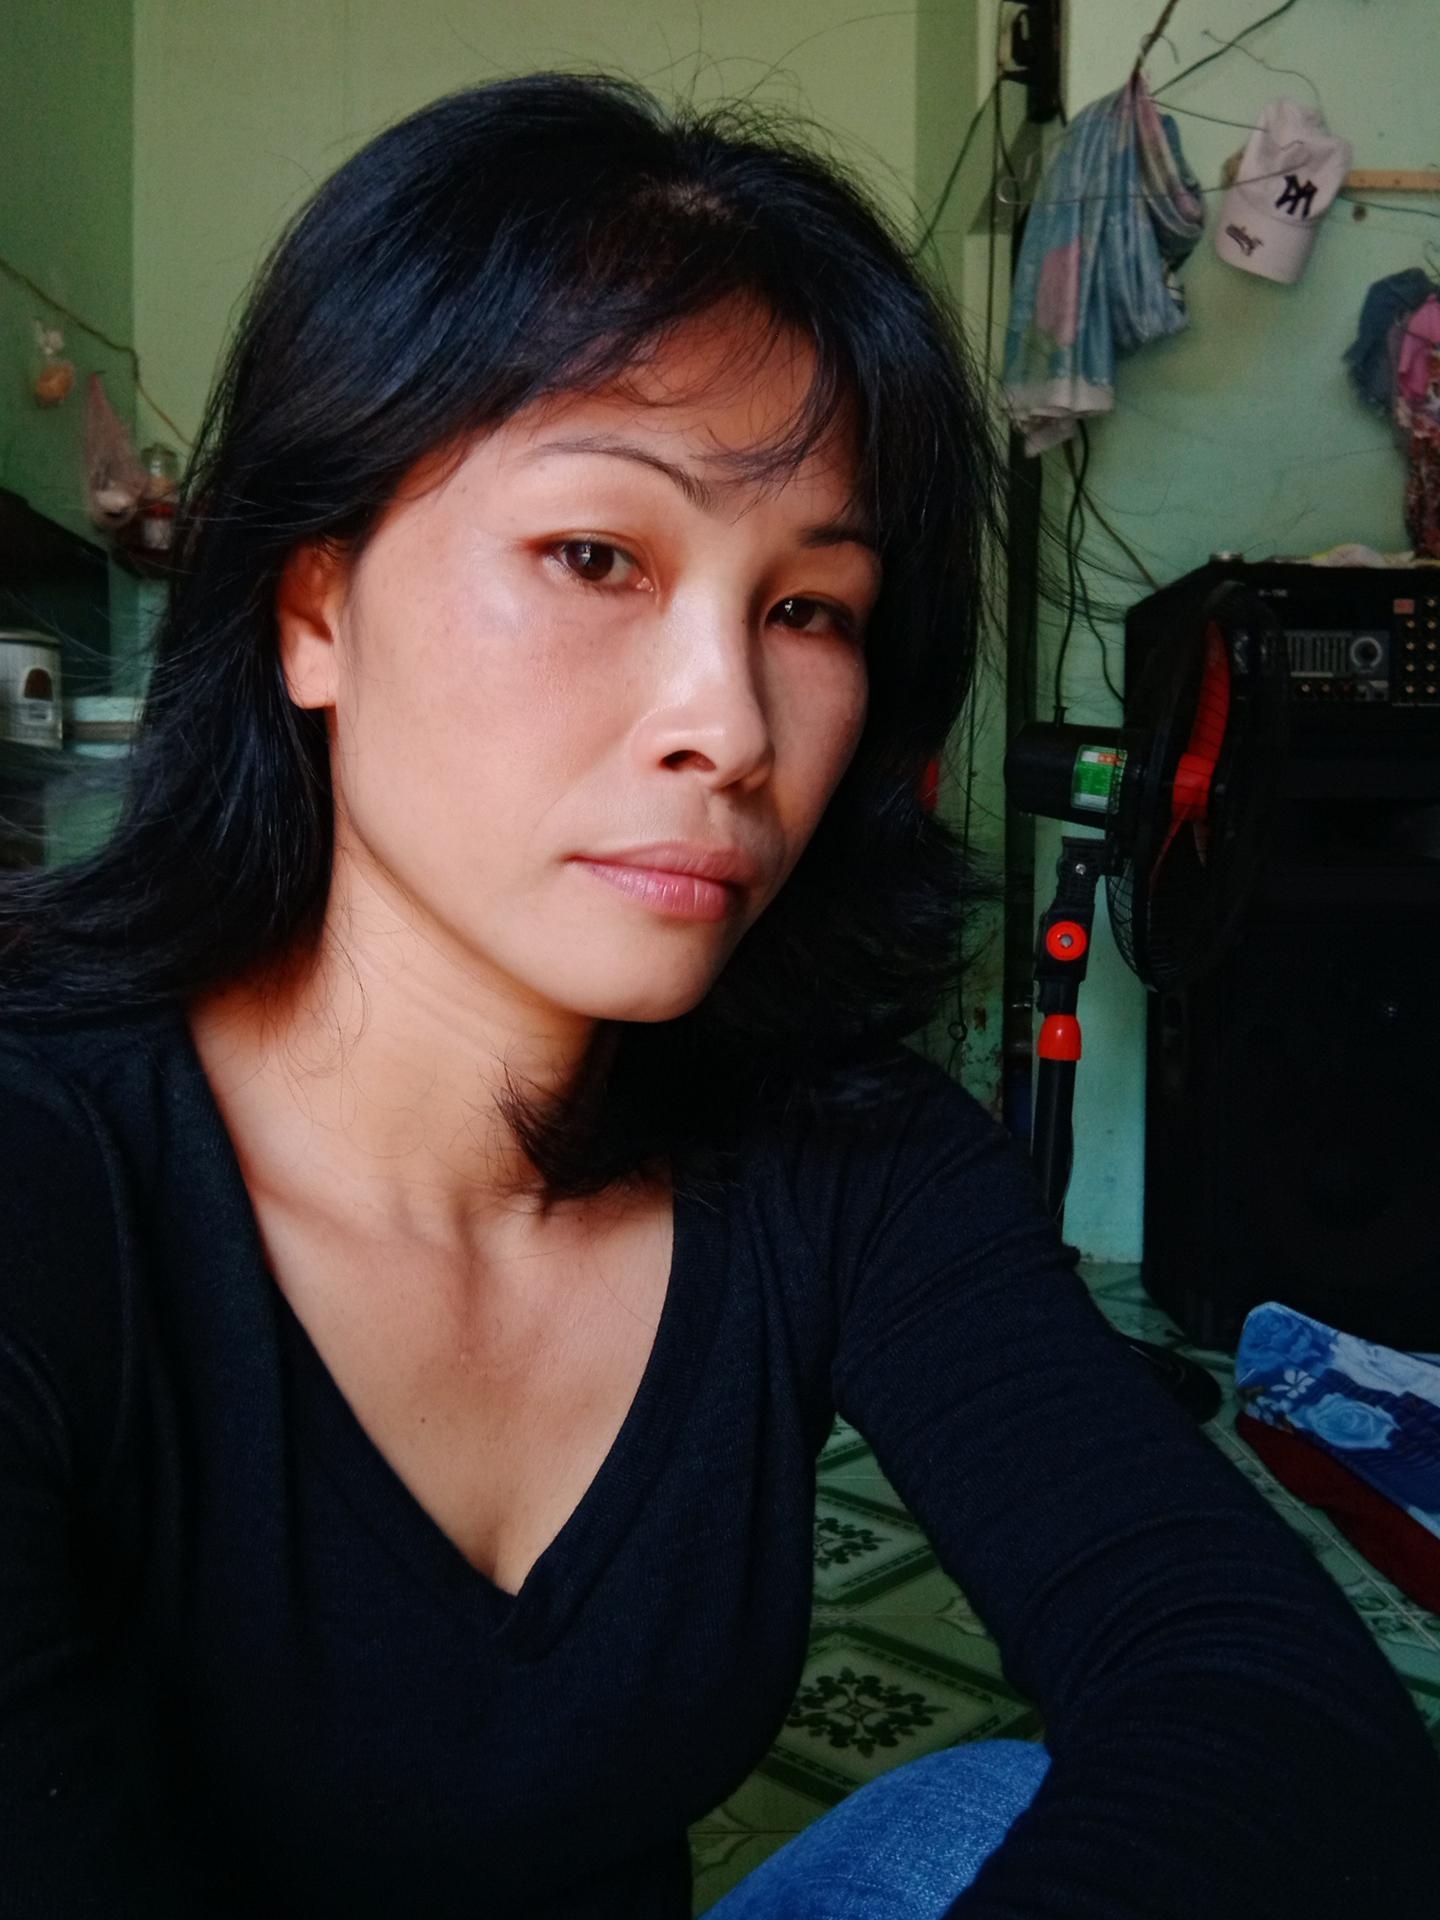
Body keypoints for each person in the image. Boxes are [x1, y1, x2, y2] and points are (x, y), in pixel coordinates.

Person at [0, 73, 1435, 1920]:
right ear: (314, 611)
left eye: (809, 609)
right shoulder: (50, 1181)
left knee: (1002, 1807)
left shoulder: (835, 1154)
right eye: (597, 556)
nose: (731, 727)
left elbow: (1272, 1701)